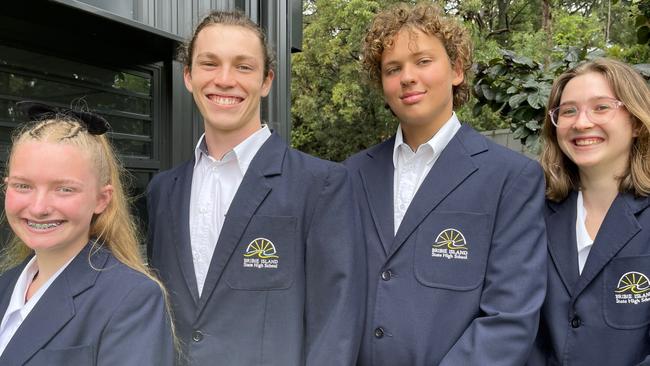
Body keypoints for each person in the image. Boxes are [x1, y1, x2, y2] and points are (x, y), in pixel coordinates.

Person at [146, 10, 365, 366]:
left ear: (266, 81)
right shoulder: (162, 191)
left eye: (244, 67)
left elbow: (336, 326)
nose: (225, 79)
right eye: (209, 64)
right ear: (188, 76)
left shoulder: (322, 185)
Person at [344, 3, 547, 365]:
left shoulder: (510, 179)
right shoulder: (350, 176)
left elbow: (508, 319)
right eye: (393, 68)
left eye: (423, 61)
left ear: (456, 70)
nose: (407, 77)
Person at [0, 103, 174, 366]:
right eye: (23, 186)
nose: (38, 208)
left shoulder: (131, 299)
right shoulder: (6, 284)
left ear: (101, 200)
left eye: (64, 189)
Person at [527, 59, 650, 365]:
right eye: (568, 111)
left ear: (636, 121)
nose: (581, 123)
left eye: (601, 107)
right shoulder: (532, 214)